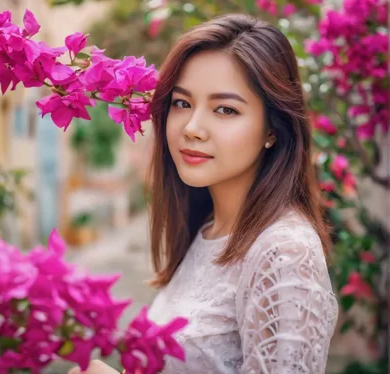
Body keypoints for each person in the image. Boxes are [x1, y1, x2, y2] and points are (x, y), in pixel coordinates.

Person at [69, 13, 339, 374]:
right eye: (181, 103)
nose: (192, 128)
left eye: (225, 109)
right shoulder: (209, 226)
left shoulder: (283, 254)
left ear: (272, 129)